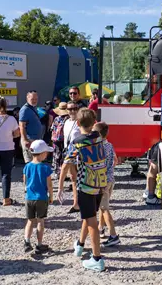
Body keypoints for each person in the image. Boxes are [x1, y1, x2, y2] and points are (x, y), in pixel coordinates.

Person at [58, 108, 107, 272]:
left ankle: (97, 258)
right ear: (94, 122)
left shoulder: (77, 142)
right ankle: (79, 245)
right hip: (100, 184)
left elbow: (66, 164)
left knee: (92, 221)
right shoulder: (98, 137)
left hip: (86, 185)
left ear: (77, 123)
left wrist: (59, 188)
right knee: (90, 215)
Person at [23, 140, 54, 254]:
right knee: (40, 221)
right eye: (46, 152)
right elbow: (49, 185)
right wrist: (51, 196)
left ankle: (27, 241)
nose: (47, 154)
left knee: (30, 221)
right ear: (42, 153)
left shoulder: (27, 167)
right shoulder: (46, 168)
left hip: (29, 198)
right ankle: (39, 244)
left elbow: (25, 182)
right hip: (41, 198)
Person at [93, 122, 120, 247]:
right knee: (103, 204)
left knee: (104, 208)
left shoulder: (98, 147)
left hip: (101, 181)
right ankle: (100, 228)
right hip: (110, 179)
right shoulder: (109, 145)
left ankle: (113, 235)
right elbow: (115, 160)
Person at [63, 101, 81, 213]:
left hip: (79, 154)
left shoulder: (80, 122)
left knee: (82, 180)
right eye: (70, 109)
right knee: (73, 179)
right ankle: (76, 203)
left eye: (75, 108)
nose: (72, 111)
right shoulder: (66, 122)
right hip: (69, 153)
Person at [19, 91, 42, 163]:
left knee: (35, 162)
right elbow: (21, 126)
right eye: (32, 99)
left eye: (36, 99)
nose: (34, 101)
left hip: (35, 139)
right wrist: (25, 140)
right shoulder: (25, 109)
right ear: (27, 98)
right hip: (29, 140)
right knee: (30, 163)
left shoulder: (33, 107)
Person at [50, 102, 69, 180]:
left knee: (57, 156)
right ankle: (62, 173)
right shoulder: (68, 118)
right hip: (63, 140)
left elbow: (52, 129)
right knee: (63, 156)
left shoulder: (57, 118)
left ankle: (57, 173)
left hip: (56, 140)